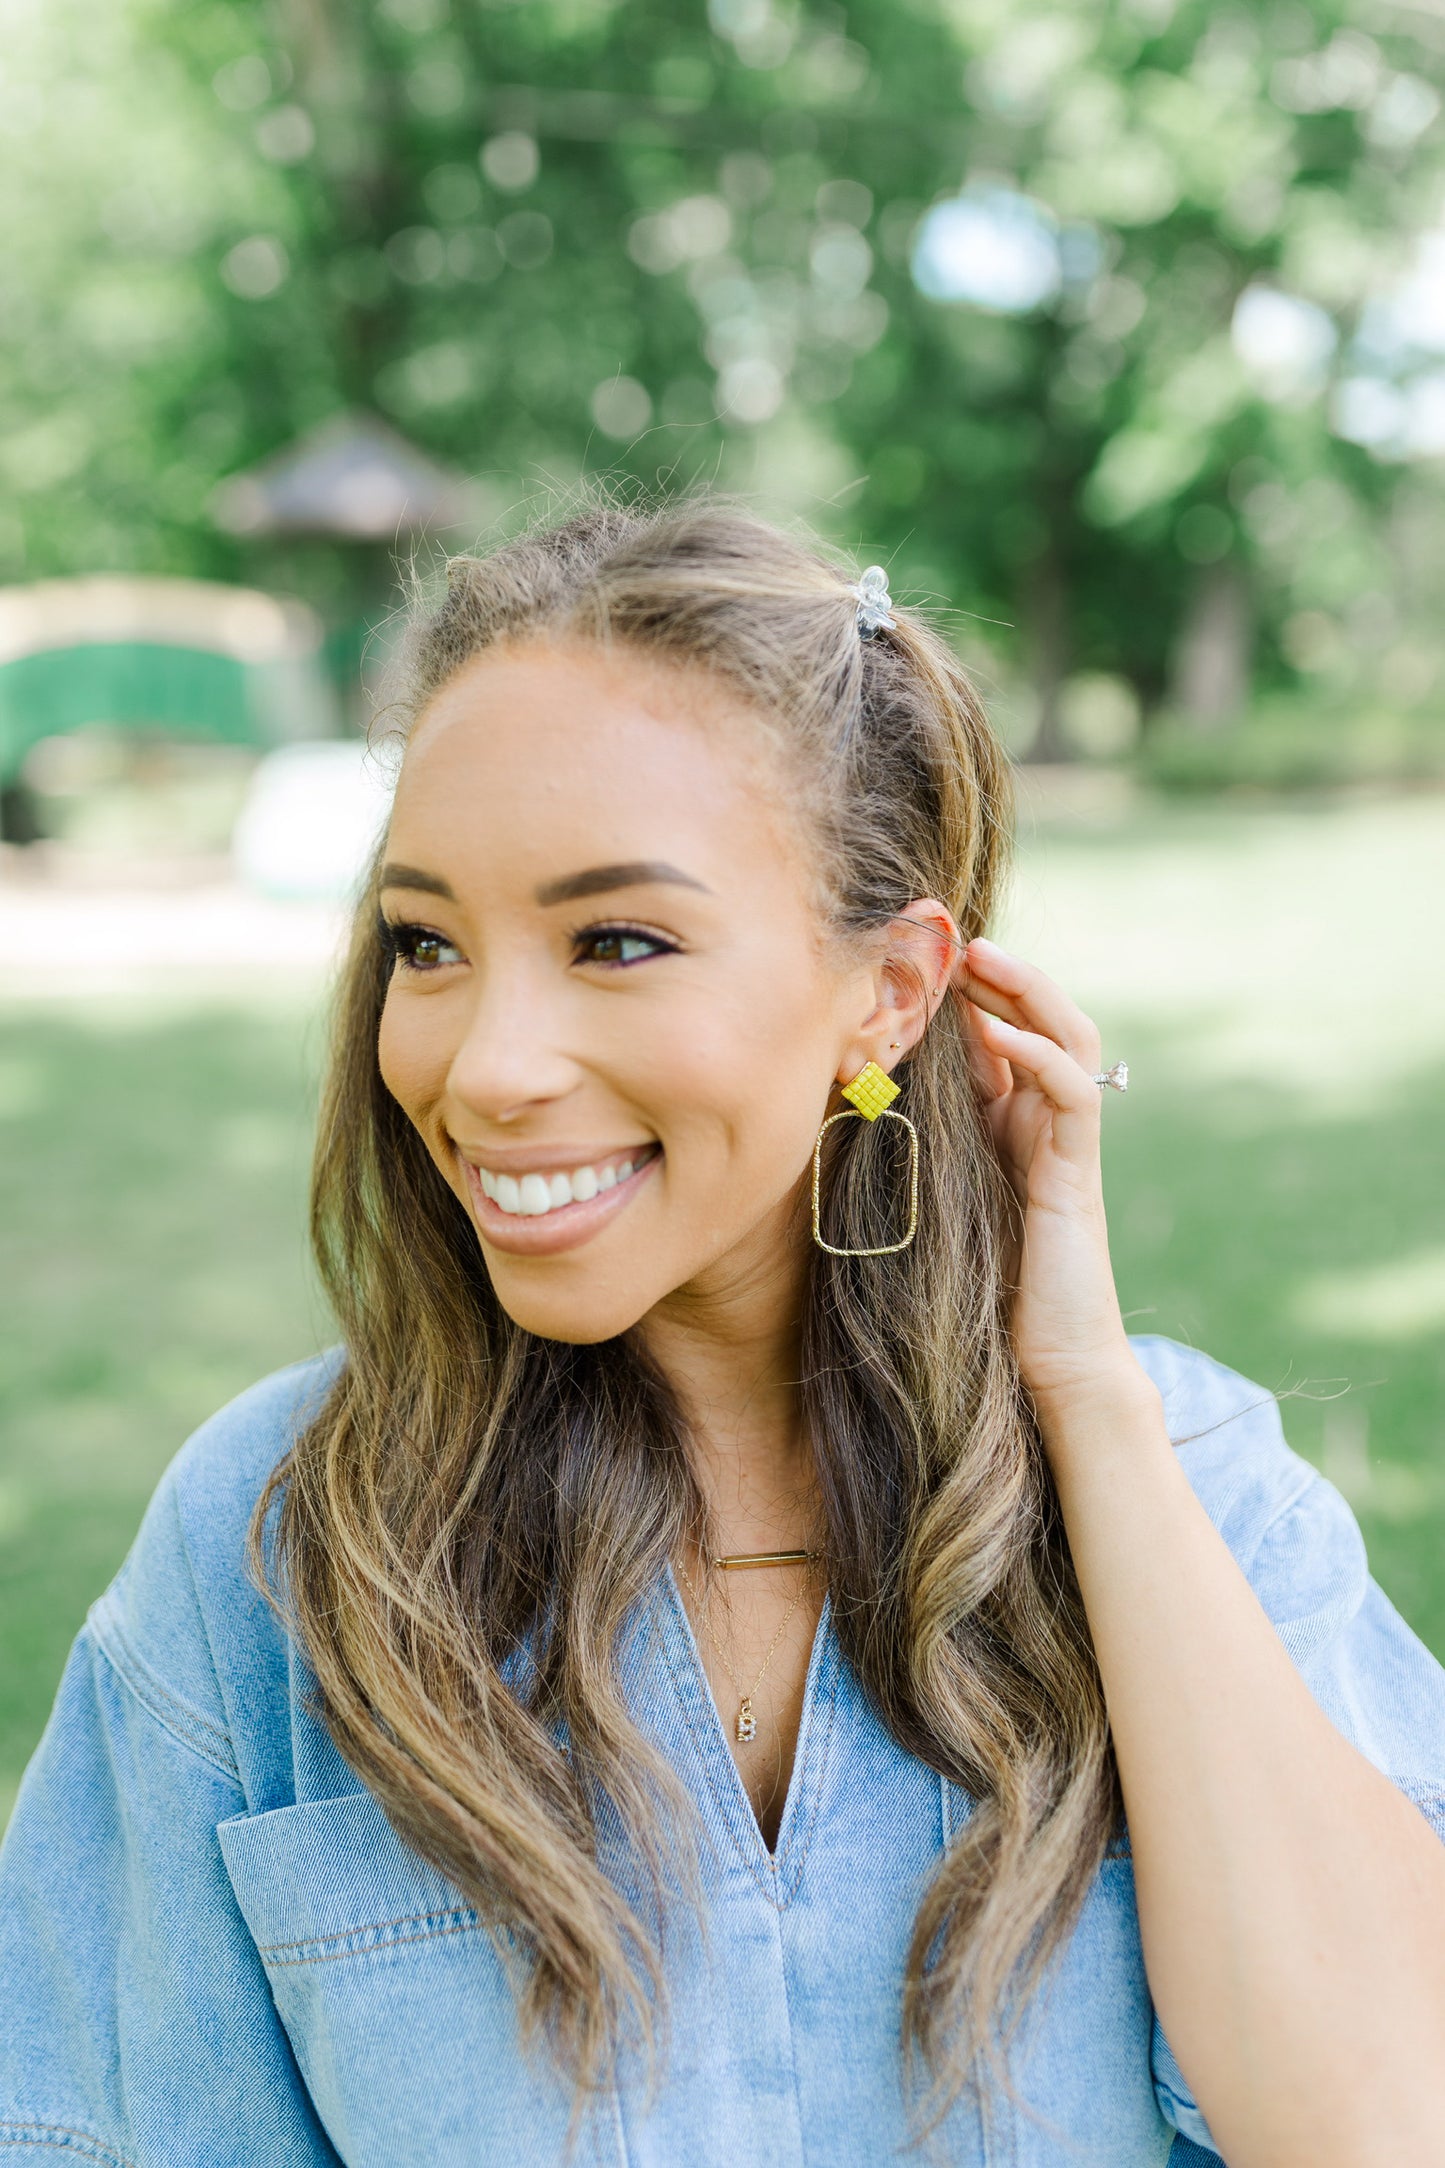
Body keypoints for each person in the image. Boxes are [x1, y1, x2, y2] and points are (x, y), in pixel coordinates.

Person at [2, 502, 1443, 2168]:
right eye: (427, 944)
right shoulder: (269, 1551)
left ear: (889, 994)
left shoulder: (1201, 1497)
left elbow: (1384, 2120)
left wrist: (1084, 1403)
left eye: (617, 940)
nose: (483, 1068)